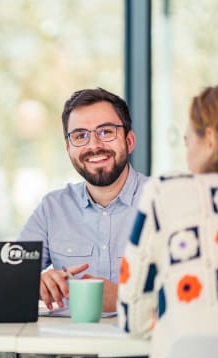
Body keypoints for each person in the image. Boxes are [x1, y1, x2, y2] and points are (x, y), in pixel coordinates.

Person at [118, 81, 218, 358]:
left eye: (188, 141)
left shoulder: (168, 191)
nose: (186, 155)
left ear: (210, 139)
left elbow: (132, 316)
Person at [18, 88, 149, 312]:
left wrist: (121, 298)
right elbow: (9, 277)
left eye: (106, 132)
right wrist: (34, 284)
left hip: (142, 345)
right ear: (69, 149)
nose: (94, 145)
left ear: (129, 141)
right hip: (67, 345)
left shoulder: (163, 203)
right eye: (80, 136)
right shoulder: (52, 208)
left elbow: (193, 297)